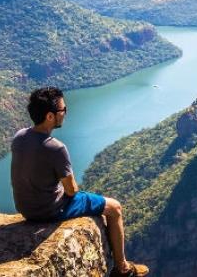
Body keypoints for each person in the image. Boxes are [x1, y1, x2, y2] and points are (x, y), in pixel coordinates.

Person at [11, 86, 149, 277]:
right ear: (50, 116)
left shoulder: (19, 137)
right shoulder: (56, 148)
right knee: (115, 208)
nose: (65, 114)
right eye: (63, 110)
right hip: (49, 211)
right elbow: (71, 191)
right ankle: (123, 268)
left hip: (26, 209)